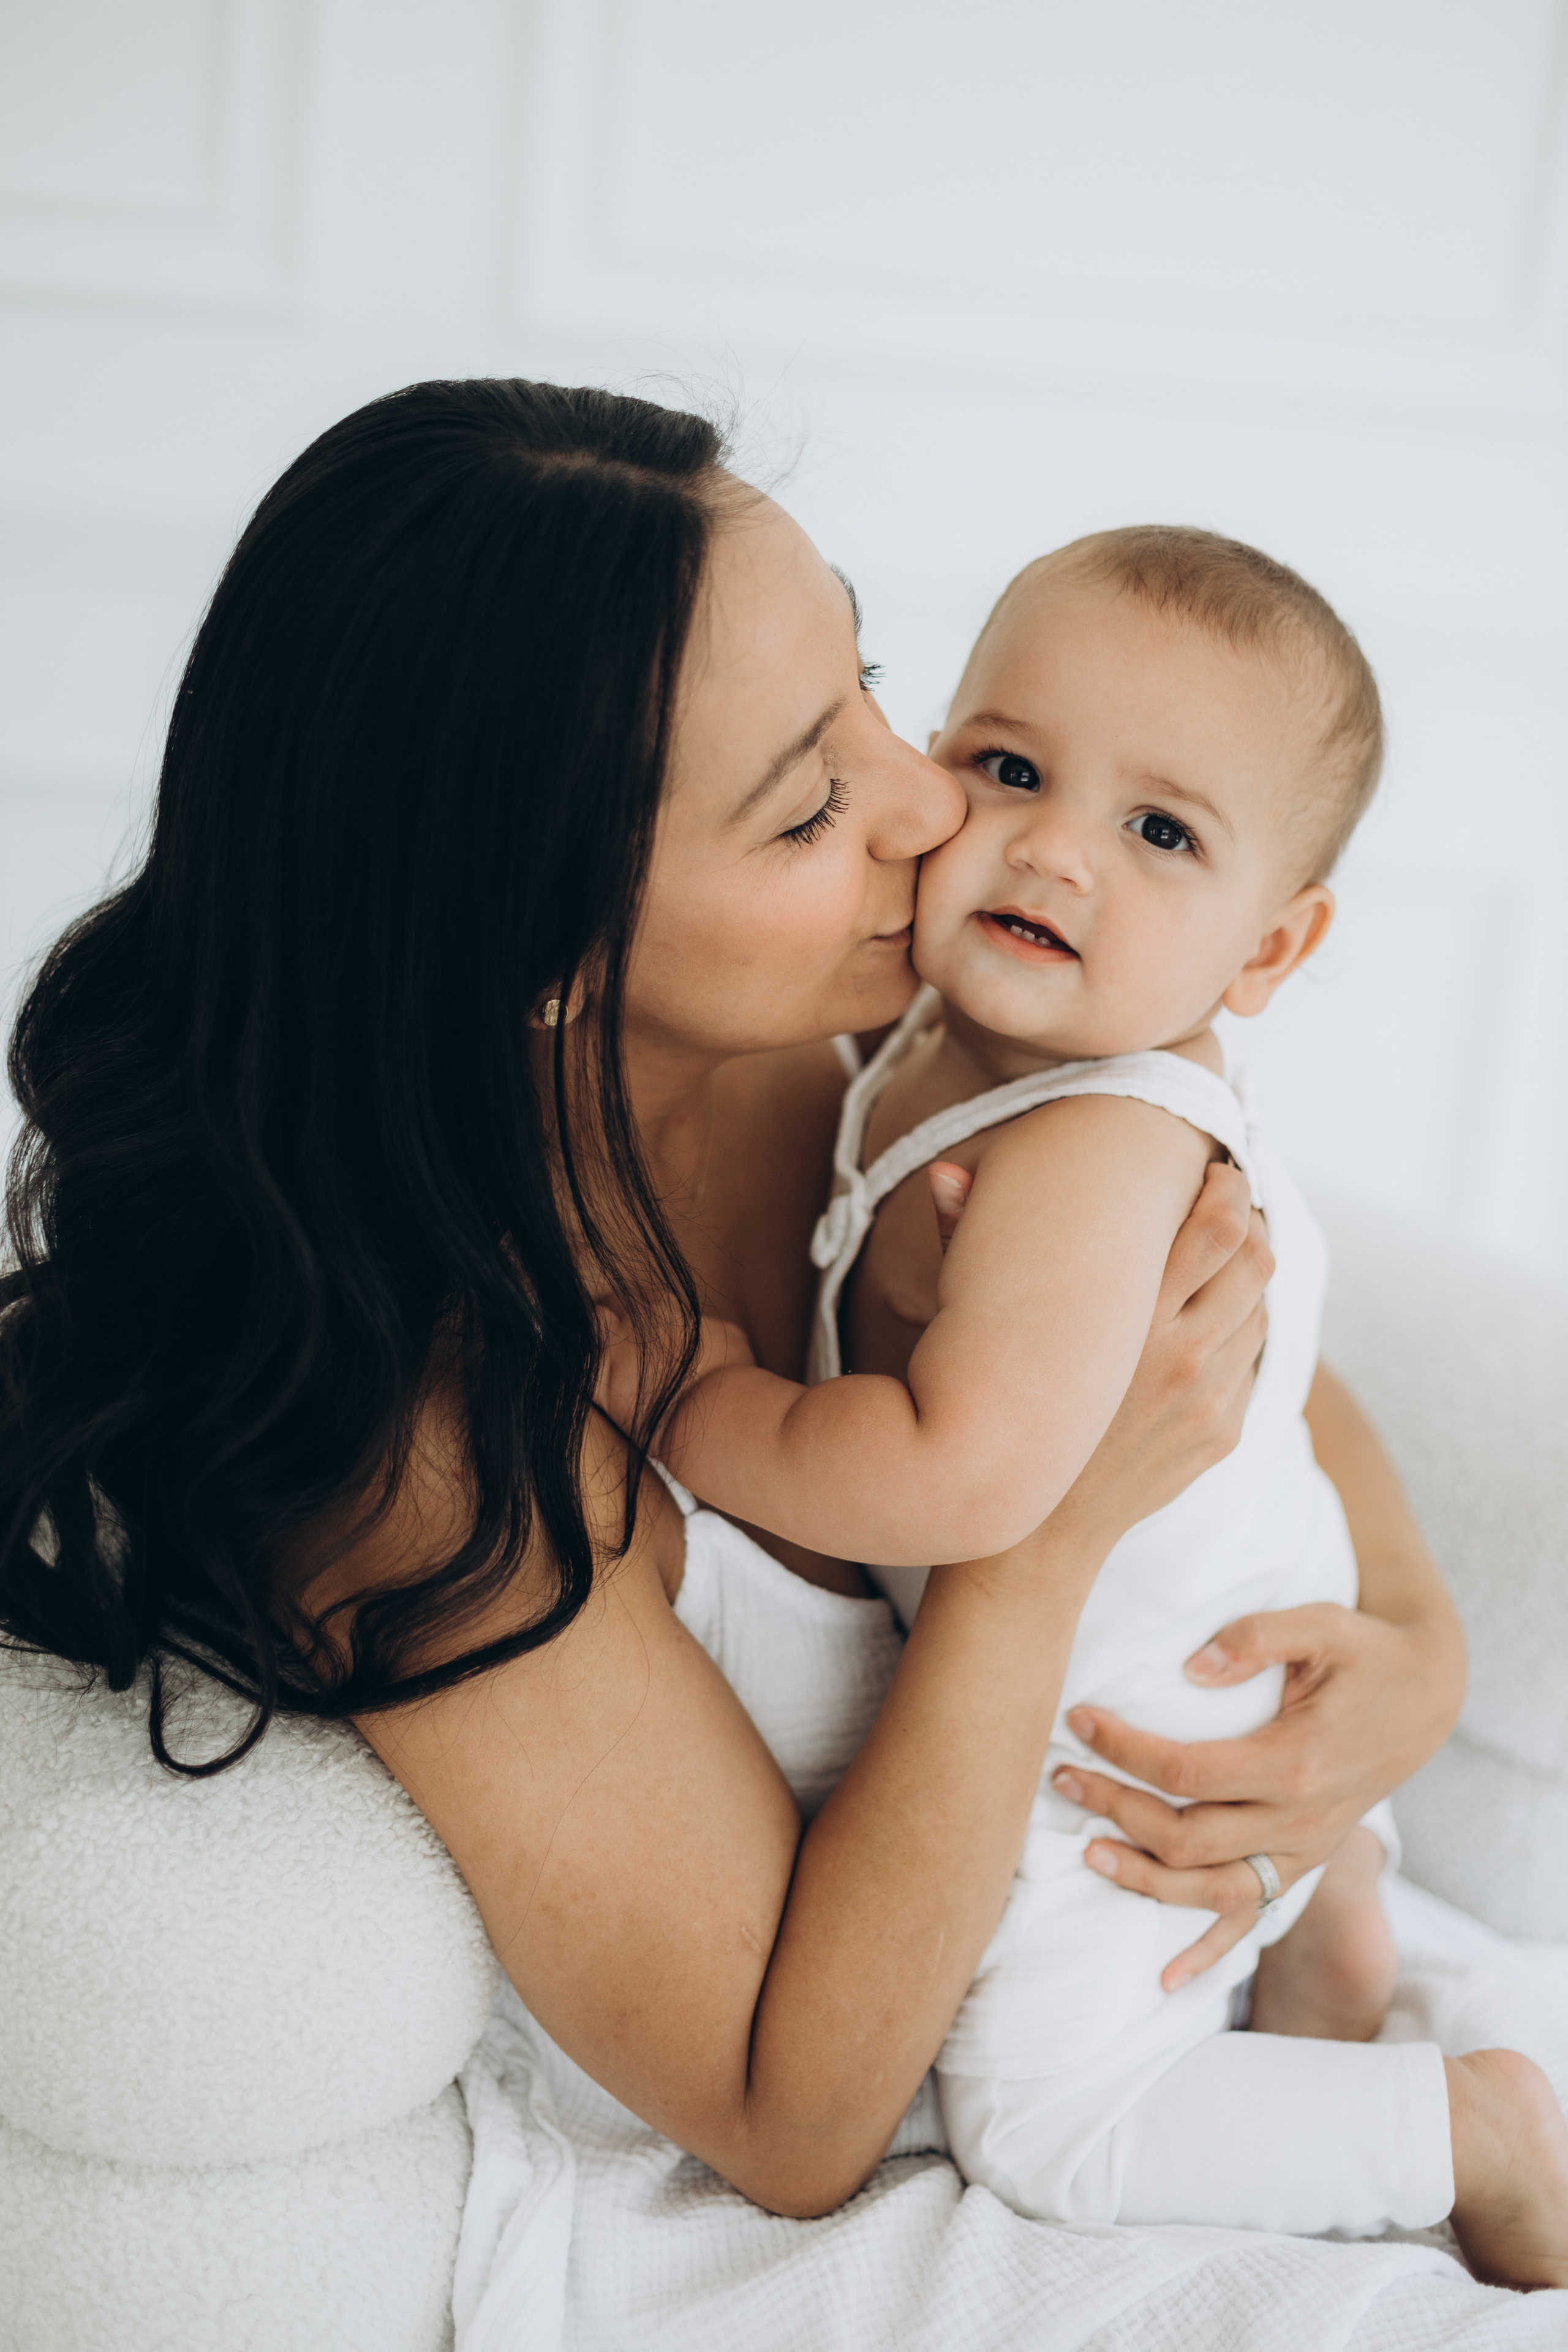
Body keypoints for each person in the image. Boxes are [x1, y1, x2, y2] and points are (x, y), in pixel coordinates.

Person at [0, 382, 1465, 2242]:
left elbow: (1236, 1350)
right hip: (967, 2133)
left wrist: (1412, 1661)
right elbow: (794, 2118)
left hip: (1209, 1949)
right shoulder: (429, 1443)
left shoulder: (899, 1042)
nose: (937, 801)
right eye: (805, 806)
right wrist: (1039, 1537)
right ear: (539, 958)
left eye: (872, 679)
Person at [622, 522, 1568, 2280]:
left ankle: (1473, 2127)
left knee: (1049, 2131)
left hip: (1136, 1729)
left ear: (1269, 948)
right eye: (1008, 766)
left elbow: (960, 1485)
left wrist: (701, 1408)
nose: (1052, 847)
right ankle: (1328, 1935)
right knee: (1263, 1949)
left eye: (1159, 830)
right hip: (1211, 1644)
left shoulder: (1085, 1140)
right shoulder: (940, 1037)